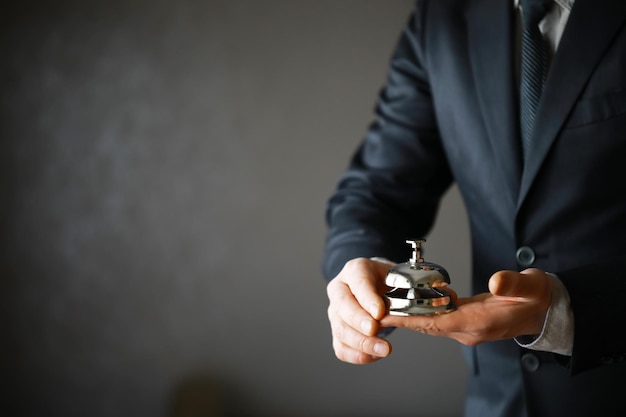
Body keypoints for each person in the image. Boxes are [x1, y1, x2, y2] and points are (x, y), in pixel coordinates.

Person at [321, 0, 626, 416]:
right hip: (497, 399)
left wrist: (569, 306)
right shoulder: (443, 17)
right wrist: (359, 268)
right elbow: (376, 189)